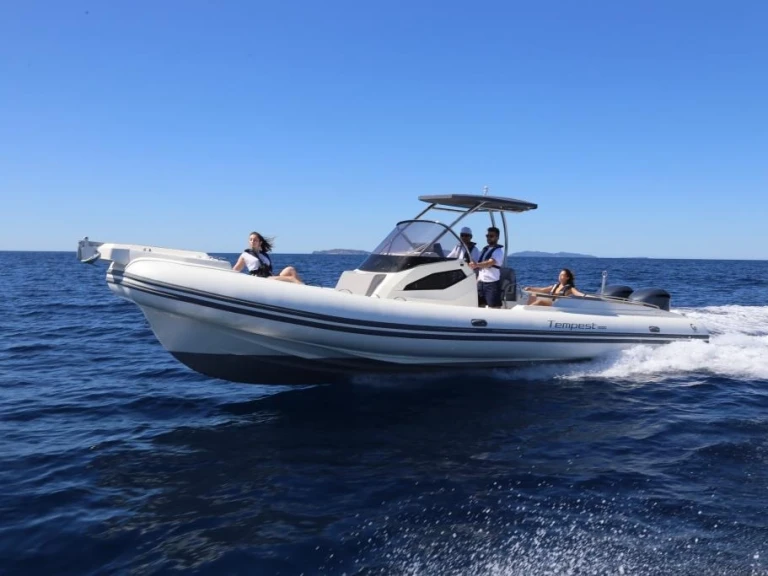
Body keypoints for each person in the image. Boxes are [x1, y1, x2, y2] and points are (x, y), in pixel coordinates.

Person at [233, 231, 303, 283]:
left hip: (269, 277)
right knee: (292, 279)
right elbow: (236, 270)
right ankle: (304, 289)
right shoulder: (245, 255)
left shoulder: (264, 255)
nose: (252, 241)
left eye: (255, 240)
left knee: (290, 269)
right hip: (259, 279)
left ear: (260, 242)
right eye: (250, 239)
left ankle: (305, 289)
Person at [469, 226, 505, 308]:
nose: (489, 238)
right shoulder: (485, 249)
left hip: (492, 284)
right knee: (479, 306)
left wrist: (476, 265)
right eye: (487, 236)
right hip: (481, 283)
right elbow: (481, 268)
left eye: (491, 236)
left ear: (497, 237)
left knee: (494, 308)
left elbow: (490, 263)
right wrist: (477, 281)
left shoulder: (498, 251)